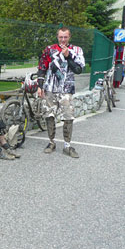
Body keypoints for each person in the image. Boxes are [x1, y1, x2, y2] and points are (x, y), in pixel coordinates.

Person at [37, 27, 85, 158]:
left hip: (66, 89)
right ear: (57, 37)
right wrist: (40, 85)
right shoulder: (49, 49)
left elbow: (78, 69)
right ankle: (51, 142)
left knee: (68, 116)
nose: (63, 40)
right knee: (49, 115)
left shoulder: (77, 50)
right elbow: (42, 67)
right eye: (60, 37)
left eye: (65, 37)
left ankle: (67, 146)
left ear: (69, 37)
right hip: (50, 88)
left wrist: (68, 56)